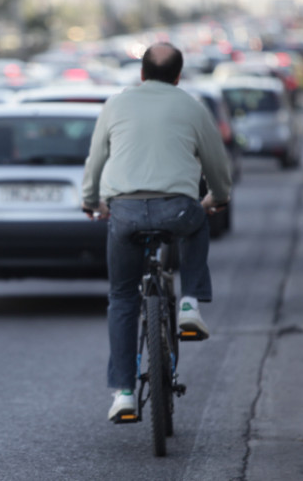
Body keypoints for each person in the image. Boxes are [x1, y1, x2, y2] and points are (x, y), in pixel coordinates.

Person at [80, 42, 232, 421]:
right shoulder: (192, 106)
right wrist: (217, 197)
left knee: (122, 297)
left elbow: (95, 159)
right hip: (177, 208)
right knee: (197, 221)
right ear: (178, 76)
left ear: (142, 73)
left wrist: (91, 201)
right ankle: (189, 304)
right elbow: (216, 162)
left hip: (125, 212)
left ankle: (125, 394)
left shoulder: (116, 104)